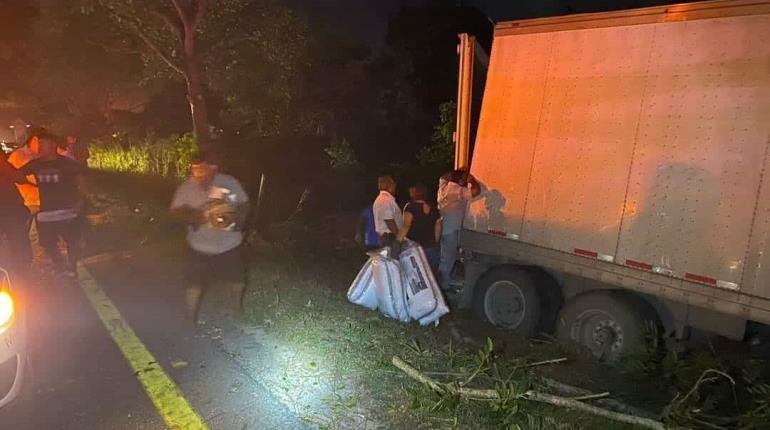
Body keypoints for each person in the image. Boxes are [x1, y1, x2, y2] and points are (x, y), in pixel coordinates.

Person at [170, 153, 249, 323]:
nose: (197, 174)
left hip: (228, 244)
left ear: (213, 168)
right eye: (194, 170)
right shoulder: (186, 188)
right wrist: (194, 215)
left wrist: (239, 221)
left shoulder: (229, 183)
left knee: (237, 281)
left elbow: (244, 203)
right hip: (198, 245)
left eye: (202, 170)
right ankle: (190, 317)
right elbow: (175, 210)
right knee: (193, 284)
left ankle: (236, 311)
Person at [19, 132, 87, 277]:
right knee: (47, 242)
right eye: (39, 145)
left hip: (68, 209)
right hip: (47, 211)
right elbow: (18, 175)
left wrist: (80, 201)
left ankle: (72, 267)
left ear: (53, 145)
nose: (39, 148)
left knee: (73, 241)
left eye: (43, 145)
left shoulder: (67, 163)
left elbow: (81, 182)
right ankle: (60, 265)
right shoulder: (35, 164)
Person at [437, 169, 480, 290]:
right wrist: (471, 179)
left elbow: (442, 176)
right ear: (461, 180)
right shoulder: (456, 190)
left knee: (445, 257)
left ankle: (443, 283)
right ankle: (442, 287)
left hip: (444, 228)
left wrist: (458, 171)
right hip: (451, 230)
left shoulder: (443, 187)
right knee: (448, 259)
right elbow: (476, 191)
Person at [0, 151, 32, 275]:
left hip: (12, 210)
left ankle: (20, 273)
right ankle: (21, 272)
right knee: (19, 244)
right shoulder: (4, 165)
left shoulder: (4, 165)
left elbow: (20, 178)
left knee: (19, 244)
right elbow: (20, 178)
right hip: (12, 209)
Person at [398, 184, 441, 273]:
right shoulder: (433, 208)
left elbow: (406, 225)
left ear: (413, 194)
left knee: (416, 274)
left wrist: (398, 241)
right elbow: (438, 226)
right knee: (431, 274)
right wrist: (435, 241)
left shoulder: (410, 207)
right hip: (430, 246)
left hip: (414, 247)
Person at [372, 175, 402, 249]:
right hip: (390, 238)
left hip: (388, 237)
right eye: (393, 184)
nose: (395, 187)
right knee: (393, 259)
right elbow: (389, 220)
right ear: (389, 185)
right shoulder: (385, 200)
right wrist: (400, 237)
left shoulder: (383, 199)